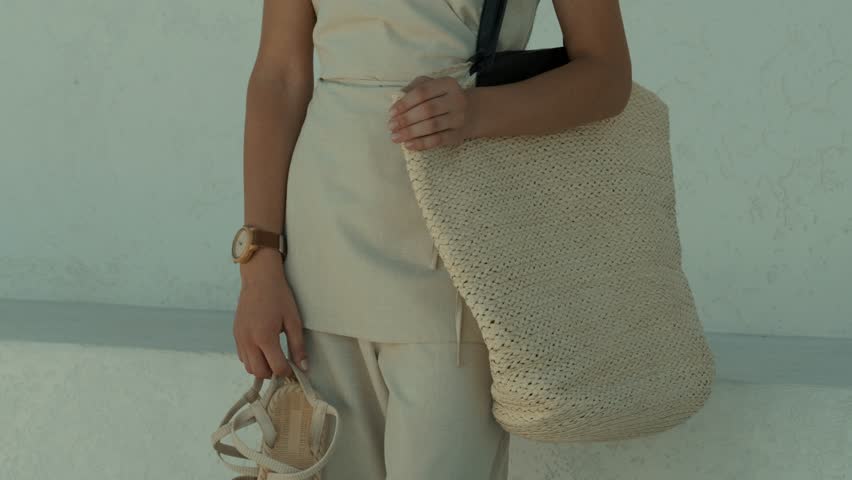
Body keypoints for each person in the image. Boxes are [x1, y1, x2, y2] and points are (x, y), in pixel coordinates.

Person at [232, 0, 632, 478]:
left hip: (461, 255)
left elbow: (607, 73)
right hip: (319, 252)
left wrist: (478, 110)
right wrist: (259, 262)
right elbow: (278, 76)